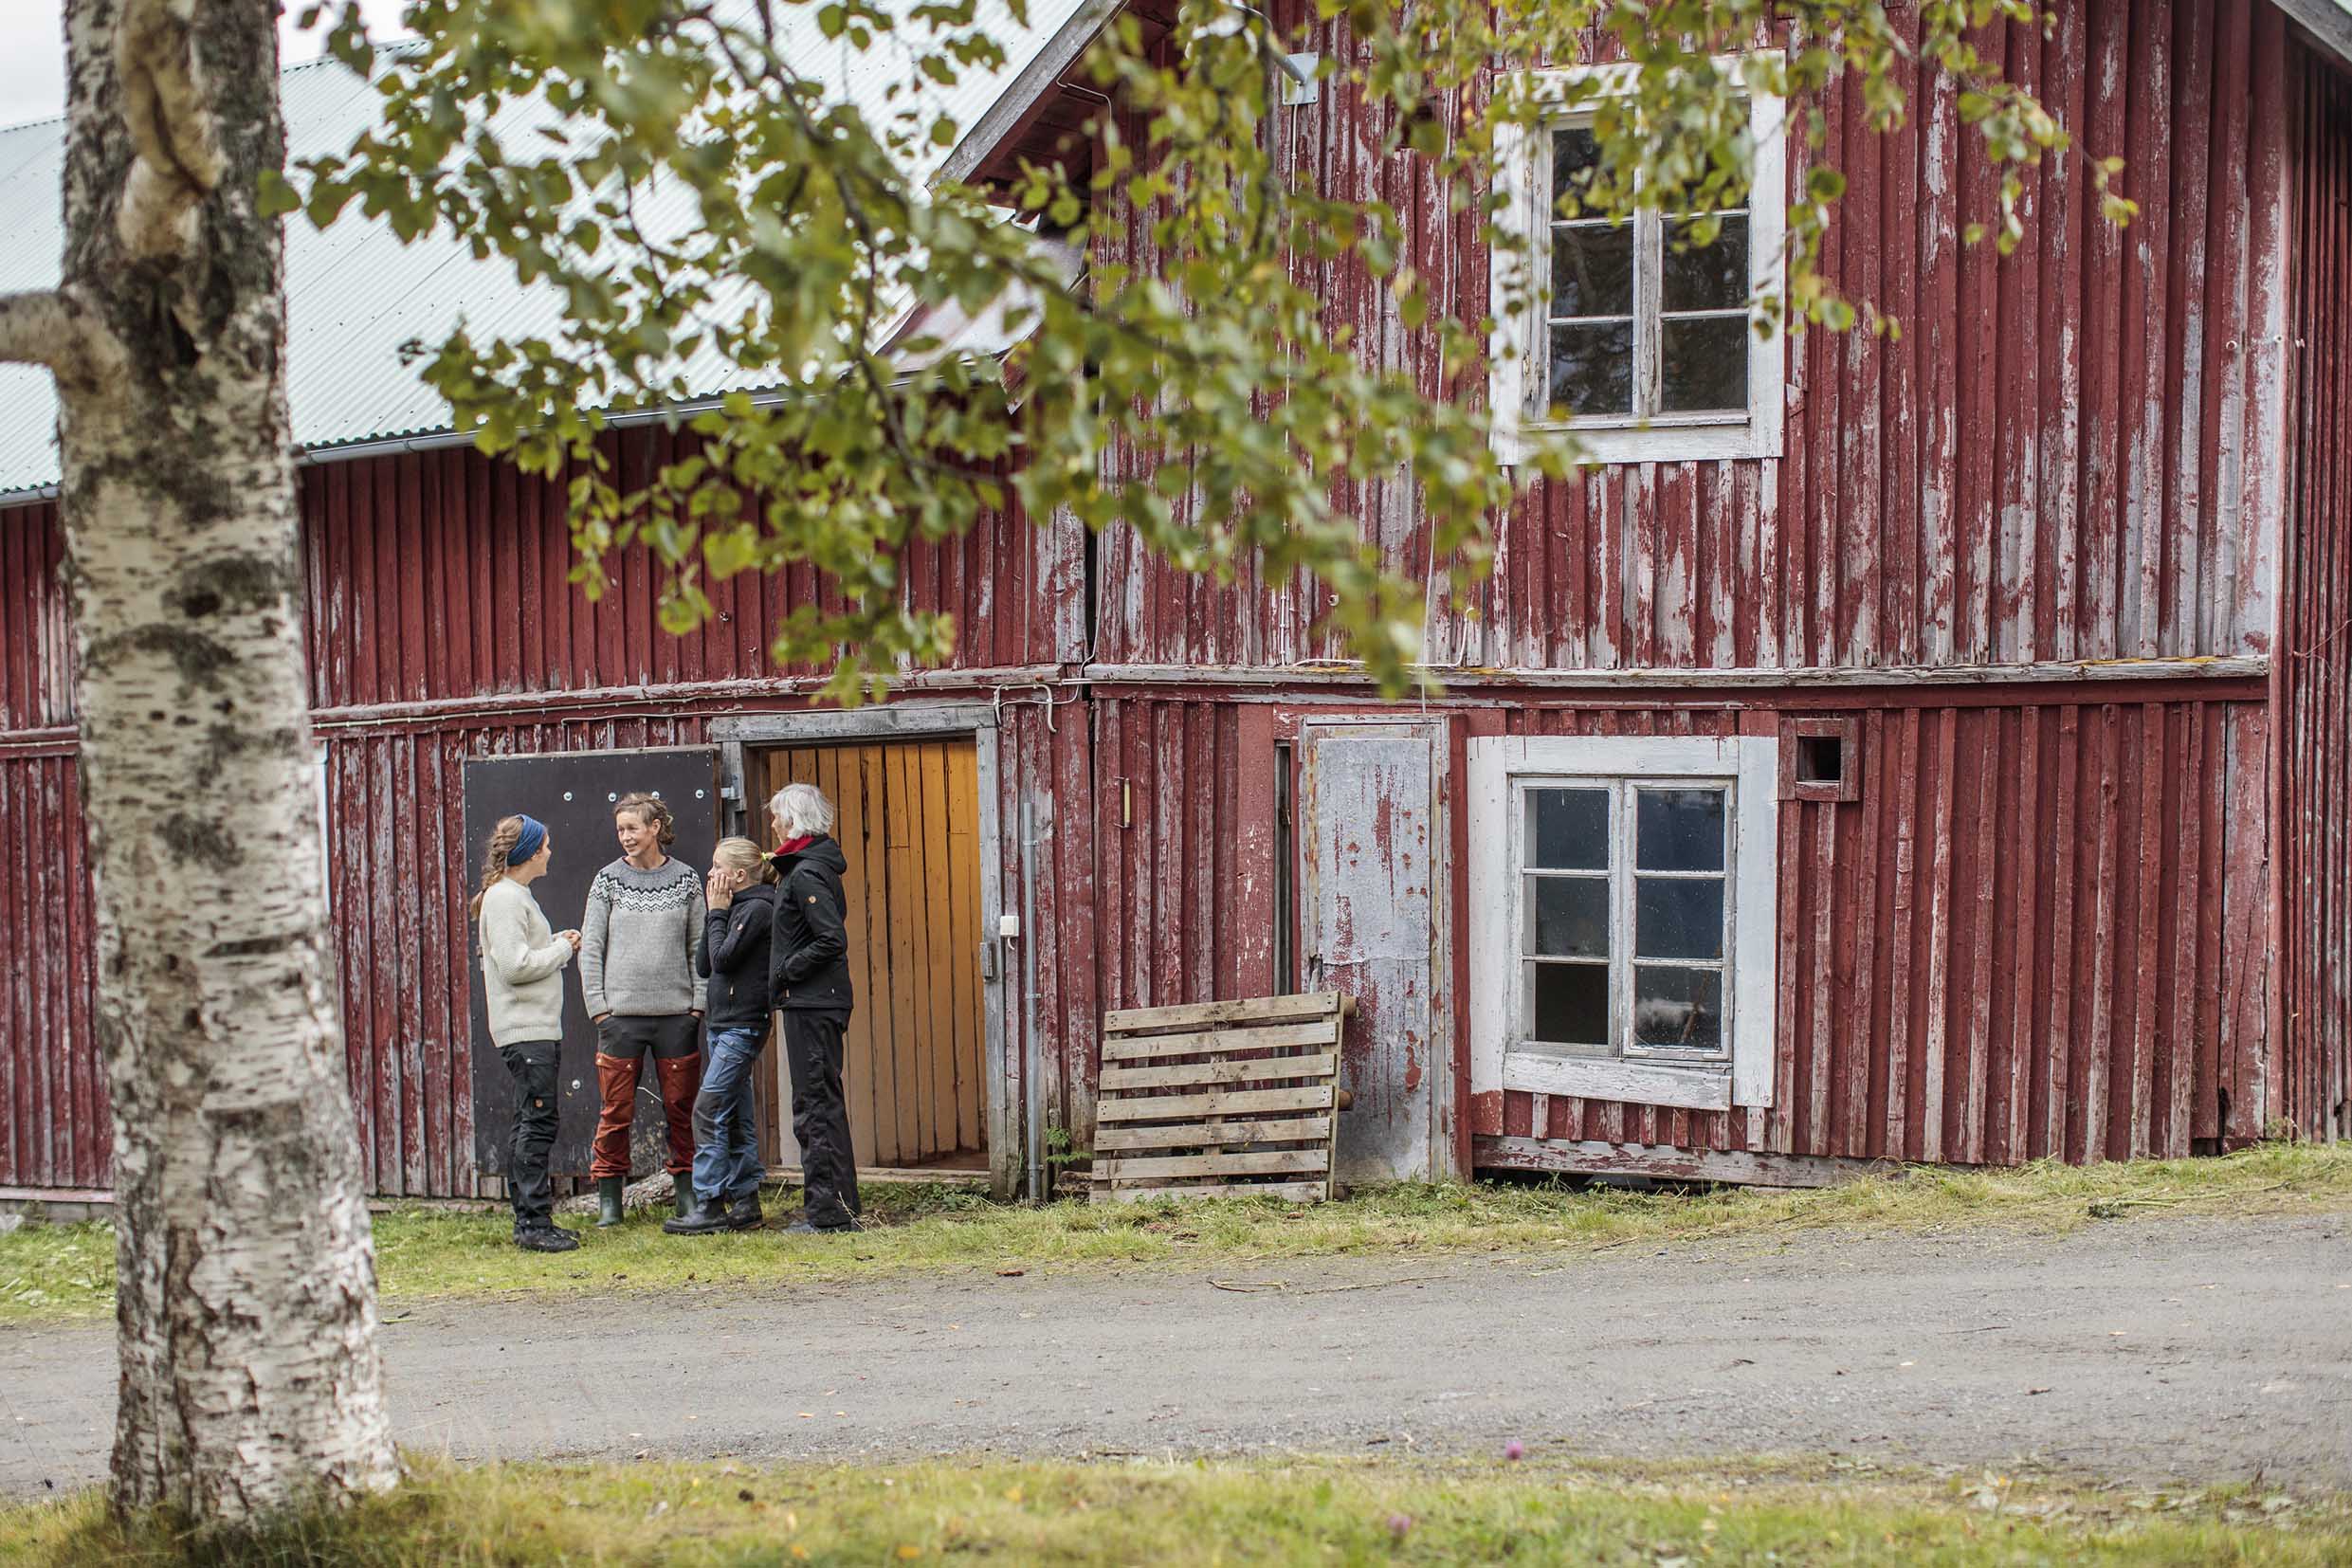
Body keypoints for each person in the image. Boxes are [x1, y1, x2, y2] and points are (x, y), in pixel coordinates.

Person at [579, 792, 707, 1227]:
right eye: (621, 829)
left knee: (681, 1109)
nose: (626, 837)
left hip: (676, 1016)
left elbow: (698, 946)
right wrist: (599, 1007)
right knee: (615, 1112)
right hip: (620, 1019)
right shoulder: (607, 881)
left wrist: (697, 1004)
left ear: (656, 828)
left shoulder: (687, 880)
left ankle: (687, 1194)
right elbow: (591, 947)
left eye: (633, 828)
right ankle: (609, 1200)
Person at [472, 813, 583, 1253]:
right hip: (526, 1029)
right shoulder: (504, 898)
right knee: (536, 1125)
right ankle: (533, 1224)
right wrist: (562, 949)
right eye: (547, 846)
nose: (551, 853)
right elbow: (515, 967)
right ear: (532, 852)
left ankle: (532, 1220)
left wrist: (554, 942)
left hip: (532, 1027)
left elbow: (519, 954)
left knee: (530, 1121)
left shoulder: (515, 896)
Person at [666, 838, 778, 1235]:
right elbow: (706, 963)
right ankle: (746, 1200)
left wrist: (718, 913)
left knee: (708, 1110)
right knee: (735, 1115)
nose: (710, 873)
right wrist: (714, 914)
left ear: (739, 875)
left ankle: (710, 1202)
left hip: (741, 1025)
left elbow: (724, 959)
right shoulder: (733, 909)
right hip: (721, 1025)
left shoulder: (760, 909)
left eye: (717, 867)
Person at [765, 782, 861, 1233]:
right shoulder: (807, 867)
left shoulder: (805, 873)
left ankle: (828, 1214)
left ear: (794, 821)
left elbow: (831, 939)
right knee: (821, 1102)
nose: (772, 824)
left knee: (815, 1106)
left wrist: (785, 970)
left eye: (777, 816)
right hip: (814, 1000)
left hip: (811, 1000)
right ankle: (838, 1207)